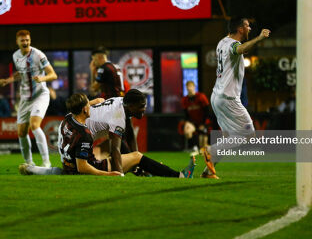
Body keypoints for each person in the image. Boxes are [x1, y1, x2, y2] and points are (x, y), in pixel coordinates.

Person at [19, 93, 195, 178]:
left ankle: (34, 169)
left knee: (133, 158)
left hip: (68, 160)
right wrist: (117, 174)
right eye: (141, 106)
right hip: (82, 164)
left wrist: (93, 102)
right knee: (137, 156)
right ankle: (180, 176)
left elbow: (126, 136)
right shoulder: (95, 130)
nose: (144, 109)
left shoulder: (67, 119)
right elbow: (113, 151)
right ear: (131, 106)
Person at [203, 18, 270, 179]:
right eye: (247, 26)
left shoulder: (221, 42)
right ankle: (210, 152)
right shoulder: (232, 45)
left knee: (230, 139)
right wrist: (260, 38)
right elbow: (239, 49)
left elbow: (239, 50)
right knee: (248, 135)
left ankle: (208, 172)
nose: (250, 28)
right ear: (240, 29)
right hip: (228, 98)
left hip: (217, 96)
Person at [0, 30, 57, 167]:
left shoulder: (38, 55)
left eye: (27, 40)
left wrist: (42, 78)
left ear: (30, 40)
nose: (25, 43)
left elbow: (53, 74)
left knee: (34, 125)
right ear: (17, 42)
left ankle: (46, 162)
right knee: (21, 132)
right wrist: (8, 80)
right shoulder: (16, 56)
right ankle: (29, 162)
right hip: (25, 98)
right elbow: (21, 72)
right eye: (22, 40)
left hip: (40, 95)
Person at [180, 81, 211, 151]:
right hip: (193, 123)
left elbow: (207, 111)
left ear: (194, 87)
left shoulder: (201, 97)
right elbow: (186, 114)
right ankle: (194, 146)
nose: (189, 88)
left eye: (191, 86)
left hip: (203, 122)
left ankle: (209, 147)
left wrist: (203, 124)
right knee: (187, 130)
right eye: (188, 87)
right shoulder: (184, 99)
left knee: (203, 146)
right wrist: (188, 123)